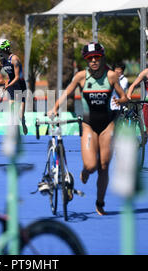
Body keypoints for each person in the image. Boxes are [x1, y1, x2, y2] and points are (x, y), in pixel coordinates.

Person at [47, 42, 128, 215]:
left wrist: (120, 101)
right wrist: (54, 108)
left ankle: (100, 202)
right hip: (89, 125)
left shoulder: (111, 76)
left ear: (101, 57)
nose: (93, 61)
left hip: (108, 124)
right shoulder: (81, 76)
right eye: (90, 58)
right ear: (86, 60)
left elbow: (124, 97)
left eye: (96, 57)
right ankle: (85, 170)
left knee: (104, 166)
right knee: (91, 166)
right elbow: (67, 92)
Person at [0, 39, 28, 134]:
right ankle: (13, 130)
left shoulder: (14, 59)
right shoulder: (1, 61)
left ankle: (23, 121)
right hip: (11, 87)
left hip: (20, 86)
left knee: (20, 115)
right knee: (12, 111)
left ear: (4, 49)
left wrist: (7, 85)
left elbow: (17, 77)